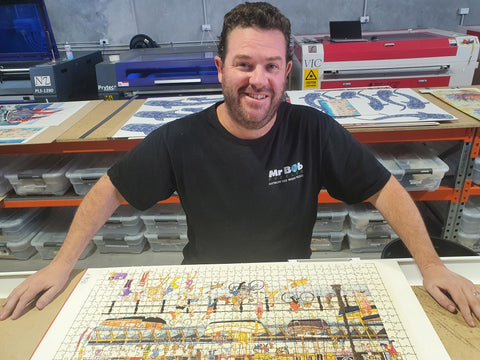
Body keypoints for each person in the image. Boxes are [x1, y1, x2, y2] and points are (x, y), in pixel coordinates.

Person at [1, 2, 479, 327]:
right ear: (220, 68)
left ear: (286, 71)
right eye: (244, 64)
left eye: (272, 66)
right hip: (205, 284)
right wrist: (60, 266)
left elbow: (384, 188)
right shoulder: (179, 139)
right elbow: (108, 189)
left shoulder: (312, 130)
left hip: (294, 283)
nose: (259, 80)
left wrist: (432, 265)